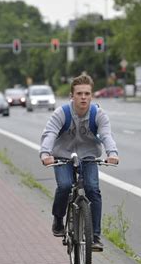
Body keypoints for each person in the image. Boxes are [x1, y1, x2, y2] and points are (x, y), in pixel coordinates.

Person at [40, 74, 119, 251]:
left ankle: (96, 237)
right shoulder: (62, 113)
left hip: (88, 156)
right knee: (65, 185)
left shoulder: (98, 115)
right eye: (79, 93)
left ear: (91, 95)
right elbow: (50, 134)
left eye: (87, 93)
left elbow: (106, 135)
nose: (83, 97)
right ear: (72, 96)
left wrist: (112, 153)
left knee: (92, 189)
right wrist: (45, 153)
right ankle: (59, 219)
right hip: (63, 156)